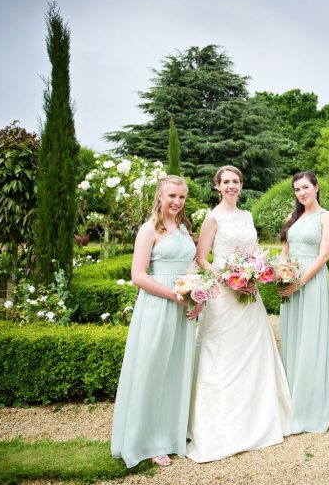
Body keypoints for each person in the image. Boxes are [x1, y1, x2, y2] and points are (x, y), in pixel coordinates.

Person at [186, 165, 292, 463]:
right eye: (226, 182)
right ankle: (219, 426)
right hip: (223, 295)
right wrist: (228, 279)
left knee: (253, 350)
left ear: (241, 185)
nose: (231, 186)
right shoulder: (213, 217)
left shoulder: (247, 216)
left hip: (249, 293)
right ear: (217, 186)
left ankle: (257, 419)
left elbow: (254, 251)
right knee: (223, 353)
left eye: (236, 181)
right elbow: (202, 258)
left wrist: (256, 272)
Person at [111, 175, 200, 468]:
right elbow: (138, 275)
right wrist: (174, 295)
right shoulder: (148, 229)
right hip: (158, 306)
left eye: (182, 197)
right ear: (160, 196)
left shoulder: (185, 229)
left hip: (184, 308)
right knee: (152, 369)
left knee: (176, 370)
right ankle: (147, 440)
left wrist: (198, 295)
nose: (177, 202)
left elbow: (192, 266)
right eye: (172, 196)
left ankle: (171, 435)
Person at [278, 171, 329, 433]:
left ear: (316, 187)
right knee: (292, 337)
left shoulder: (327, 216)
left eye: (305, 187)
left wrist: (299, 282)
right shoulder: (292, 217)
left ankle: (312, 407)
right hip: (290, 281)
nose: (301, 193)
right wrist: (281, 274)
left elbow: (324, 255)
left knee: (311, 339)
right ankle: (291, 403)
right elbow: (285, 251)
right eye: (297, 189)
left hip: (311, 282)